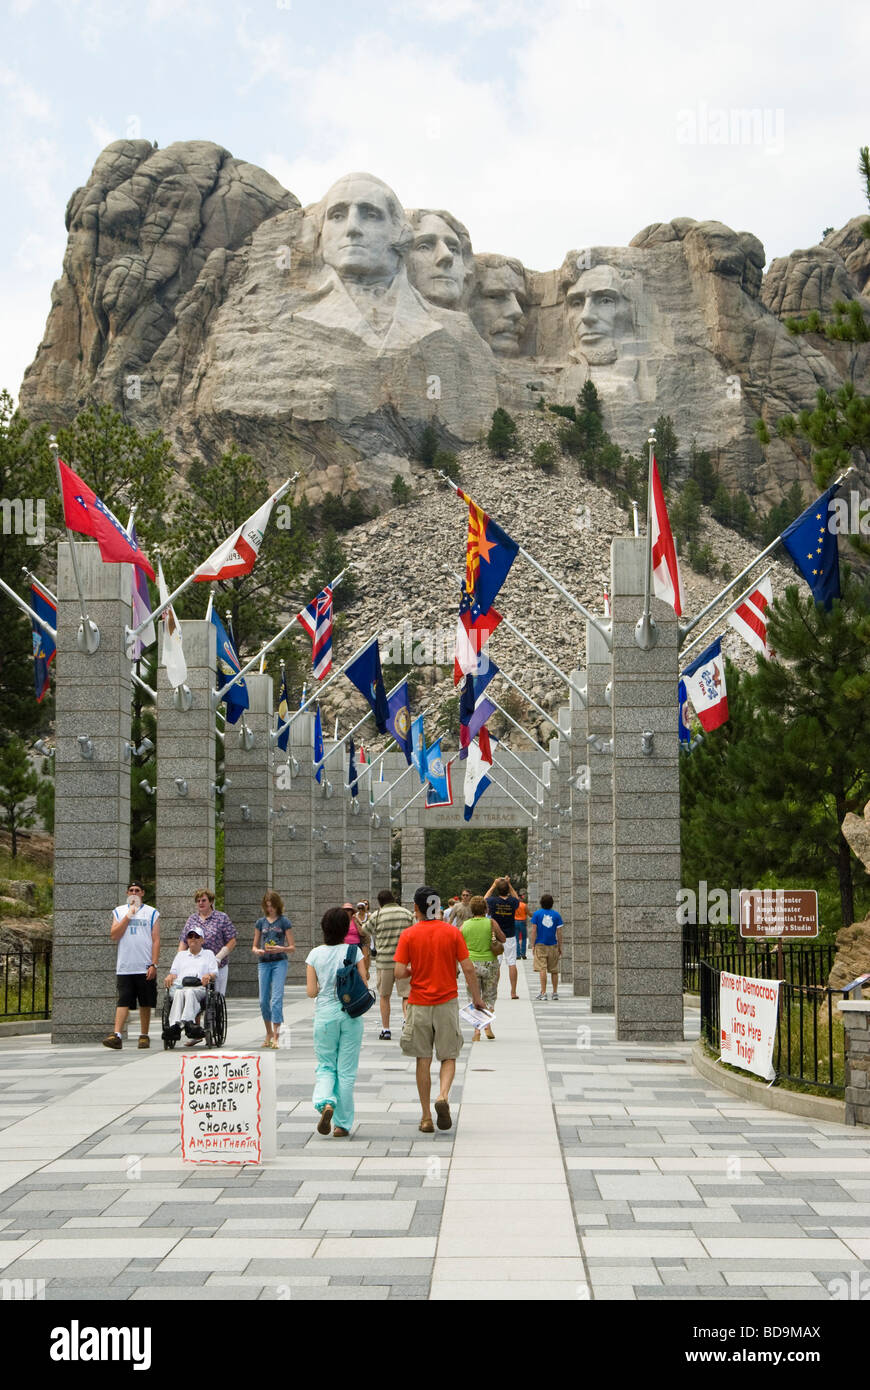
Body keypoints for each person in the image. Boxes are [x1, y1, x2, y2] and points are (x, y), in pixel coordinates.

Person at [394, 886, 485, 1134]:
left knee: (422, 1059)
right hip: (447, 1003)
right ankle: (443, 1095)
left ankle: (425, 1117)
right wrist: (477, 998)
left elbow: (399, 971)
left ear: (416, 907)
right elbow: (467, 968)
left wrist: (415, 971)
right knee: (449, 1056)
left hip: (418, 1004)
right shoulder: (452, 933)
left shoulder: (409, 935)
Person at [306, 907, 368, 1138]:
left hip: (325, 1017)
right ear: (345, 929)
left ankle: (325, 1102)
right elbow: (363, 980)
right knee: (347, 1071)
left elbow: (312, 992)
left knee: (325, 1066)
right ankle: (342, 1124)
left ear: (324, 928)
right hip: (350, 1016)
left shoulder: (314, 954)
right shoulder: (354, 951)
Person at [102, 880, 160, 1049]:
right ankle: (117, 1034)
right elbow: (114, 934)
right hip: (125, 965)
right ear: (127, 893)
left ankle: (144, 1034)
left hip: (144, 964)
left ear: (142, 893)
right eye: (131, 890)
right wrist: (129, 915)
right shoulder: (119, 912)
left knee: (145, 1001)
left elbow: (156, 940)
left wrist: (154, 964)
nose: (134, 893)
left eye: (137, 890)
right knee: (123, 1000)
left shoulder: (151, 913)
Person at [366, 888, 413, 1040]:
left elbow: (365, 930)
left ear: (380, 903)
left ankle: (386, 1029)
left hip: (384, 961)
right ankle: (407, 1021)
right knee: (406, 995)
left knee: (384, 996)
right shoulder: (406, 913)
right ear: (393, 899)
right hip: (404, 961)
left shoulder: (377, 914)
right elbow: (415, 932)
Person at [252, 890, 295, 1048]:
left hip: (279, 962)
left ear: (277, 905)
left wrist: (280, 948)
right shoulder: (260, 922)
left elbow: (292, 947)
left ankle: (277, 1035)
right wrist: (257, 951)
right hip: (264, 961)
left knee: (276, 999)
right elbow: (254, 946)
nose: (270, 909)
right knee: (263, 1000)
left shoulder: (284, 922)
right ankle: (268, 1032)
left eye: (272, 906)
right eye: (267, 906)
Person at [460, 895, 506, 1041]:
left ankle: (476, 1031)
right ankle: (487, 1026)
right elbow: (503, 938)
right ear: (485, 908)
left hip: (471, 965)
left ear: (471, 909)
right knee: (489, 996)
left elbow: (458, 944)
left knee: (474, 997)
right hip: (490, 964)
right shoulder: (491, 923)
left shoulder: (465, 925)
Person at [164, 925, 220, 1043]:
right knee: (179, 993)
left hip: (200, 987)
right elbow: (173, 973)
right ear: (187, 940)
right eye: (190, 936)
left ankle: (188, 1022)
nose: (193, 939)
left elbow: (214, 972)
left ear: (202, 940)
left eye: (196, 936)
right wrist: (170, 976)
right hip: (181, 986)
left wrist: (208, 976)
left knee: (189, 992)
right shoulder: (181, 955)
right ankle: (176, 1026)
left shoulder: (209, 954)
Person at [181, 889, 237, 994]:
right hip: (196, 965)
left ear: (211, 902)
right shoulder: (192, 919)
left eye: (203, 900)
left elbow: (232, 941)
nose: (200, 903)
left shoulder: (222, 918)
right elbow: (184, 942)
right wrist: (180, 959)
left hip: (218, 965)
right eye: (198, 901)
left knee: (217, 998)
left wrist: (219, 958)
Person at [485, 875, 522, 999]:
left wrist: (494, 885)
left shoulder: (493, 901)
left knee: (497, 963)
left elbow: (484, 899)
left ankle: (495, 989)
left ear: (498, 890)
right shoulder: (512, 902)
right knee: (511, 963)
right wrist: (509, 884)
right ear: (507, 889)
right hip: (510, 935)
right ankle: (513, 991)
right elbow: (517, 899)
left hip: (496, 935)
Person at [530, 894, 564, 1001]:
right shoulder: (557, 915)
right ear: (552, 903)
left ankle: (543, 993)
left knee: (542, 968)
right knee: (554, 970)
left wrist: (533, 944)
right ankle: (554, 992)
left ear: (541, 903)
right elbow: (559, 933)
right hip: (553, 944)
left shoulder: (536, 914)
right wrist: (560, 946)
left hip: (540, 944)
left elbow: (534, 931)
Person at [343, 900, 372, 971]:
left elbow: (362, 932)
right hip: (344, 945)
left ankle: (365, 973)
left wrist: (357, 921)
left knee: (362, 960)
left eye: (349, 910)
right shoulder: (340, 920)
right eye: (345, 910)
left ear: (351, 911)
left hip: (356, 944)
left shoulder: (355, 919)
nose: (347, 912)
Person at [515, 891, 529, 960]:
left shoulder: (514, 905)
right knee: (524, 938)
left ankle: (518, 955)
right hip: (523, 922)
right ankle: (523, 954)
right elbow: (528, 913)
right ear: (521, 898)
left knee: (516, 939)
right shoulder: (524, 905)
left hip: (515, 922)